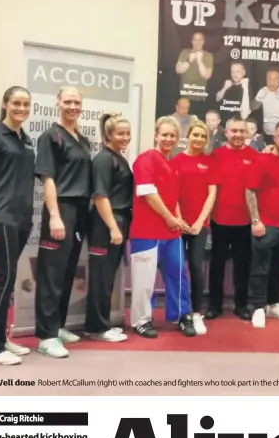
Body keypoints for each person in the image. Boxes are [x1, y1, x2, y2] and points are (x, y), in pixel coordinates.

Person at [33, 86, 93, 359]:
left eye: (76, 102)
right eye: (67, 101)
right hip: (61, 209)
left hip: (80, 210)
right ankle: (46, 337)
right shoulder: (50, 136)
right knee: (51, 274)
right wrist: (55, 215)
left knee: (68, 271)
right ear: (58, 102)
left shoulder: (82, 138)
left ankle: (57, 326)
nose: (72, 106)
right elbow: (48, 178)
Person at [129, 116, 196, 339]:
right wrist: (169, 218)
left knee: (178, 275)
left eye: (173, 135)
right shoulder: (146, 159)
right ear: (156, 135)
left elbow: (172, 197)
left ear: (178, 139)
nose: (168, 139)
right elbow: (147, 193)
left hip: (171, 233)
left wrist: (177, 219)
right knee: (144, 280)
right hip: (147, 232)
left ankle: (182, 315)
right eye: (164, 134)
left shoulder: (171, 163)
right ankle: (142, 320)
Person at [0, 86, 35, 365]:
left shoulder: (26, 140)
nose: (21, 108)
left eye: (26, 104)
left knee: (4, 280)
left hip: (21, 219)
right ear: (5, 104)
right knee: (2, 279)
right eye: (16, 103)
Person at [84, 113, 133, 343]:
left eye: (127, 133)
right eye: (120, 133)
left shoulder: (118, 158)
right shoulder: (104, 159)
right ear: (108, 135)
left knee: (107, 277)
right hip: (105, 224)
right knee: (100, 278)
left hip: (119, 221)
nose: (125, 137)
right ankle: (96, 328)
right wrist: (113, 227)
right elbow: (100, 196)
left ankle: (102, 324)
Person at [246, 121, 279, 329]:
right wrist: (256, 220)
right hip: (264, 225)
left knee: (277, 268)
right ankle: (258, 307)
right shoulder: (261, 160)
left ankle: (273, 304)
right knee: (260, 269)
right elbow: (250, 191)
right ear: (274, 138)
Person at [206, 118, 256, 321]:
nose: (237, 135)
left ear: (248, 134)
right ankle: (214, 306)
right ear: (225, 133)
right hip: (219, 221)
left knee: (242, 266)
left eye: (241, 131)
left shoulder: (255, 156)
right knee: (216, 266)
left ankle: (241, 305)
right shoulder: (215, 156)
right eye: (233, 131)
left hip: (245, 222)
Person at [170, 120, 217, 335]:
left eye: (202, 136)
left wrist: (199, 222)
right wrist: (179, 219)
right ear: (187, 136)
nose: (198, 139)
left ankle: (197, 312)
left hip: (200, 226)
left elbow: (211, 195)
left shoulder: (209, 162)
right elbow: (172, 194)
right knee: (177, 270)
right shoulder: (176, 160)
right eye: (195, 135)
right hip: (177, 225)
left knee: (197, 268)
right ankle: (182, 313)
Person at [175, 31, 214, 103]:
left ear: (203, 42)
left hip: (200, 97)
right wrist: (189, 61)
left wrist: (200, 62)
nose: (197, 42)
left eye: (200, 40)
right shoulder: (185, 52)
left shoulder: (208, 55)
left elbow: (207, 76)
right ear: (192, 41)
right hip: (184, 96)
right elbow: (178, 70)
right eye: (195, 39)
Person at [254, 67, 279, 137]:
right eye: (269, 78)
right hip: (266, 133)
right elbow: (252, 108)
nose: (272, 81)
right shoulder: (263, 91)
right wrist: (258, 99)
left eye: (275, 78)